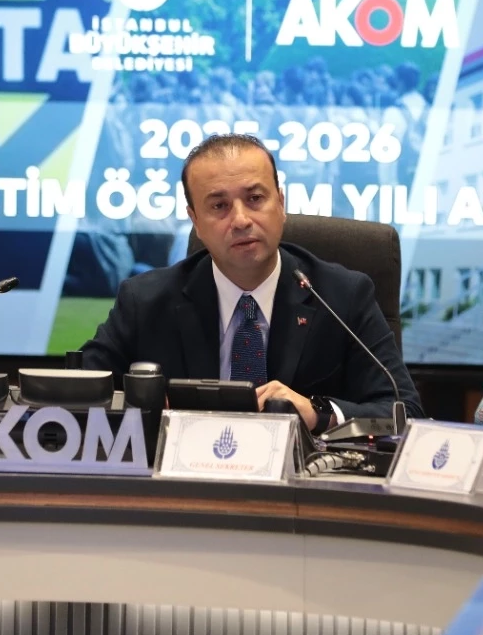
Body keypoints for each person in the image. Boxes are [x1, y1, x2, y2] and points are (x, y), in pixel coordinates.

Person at [79, 133, 423, 432]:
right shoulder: (145, 301)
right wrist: (147, 406)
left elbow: (405, 413)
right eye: (219, 206)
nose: (241, 220)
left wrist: (318, 413)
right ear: (195, 221)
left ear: (281, 204)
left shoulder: (341, 296)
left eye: (255, 199)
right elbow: (78, 394)